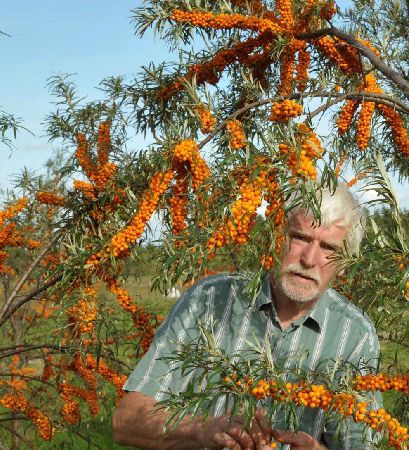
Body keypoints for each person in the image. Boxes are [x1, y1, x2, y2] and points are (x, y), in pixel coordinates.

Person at [112, 181, 381, 450]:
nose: (309, 259)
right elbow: (127, 419)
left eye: (329, 249)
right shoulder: (207, 300)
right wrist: (202, 429)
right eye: (300, 237)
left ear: (345, 264)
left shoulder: (355, 336)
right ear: (275, 237)